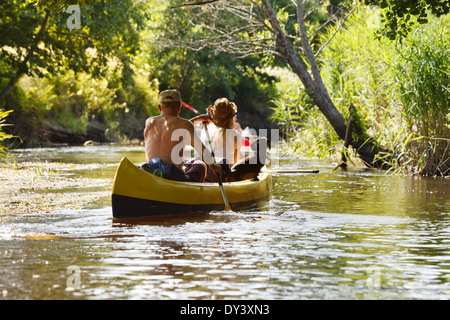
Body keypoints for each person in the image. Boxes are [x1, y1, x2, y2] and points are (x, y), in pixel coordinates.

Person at [143, 89, 221, 182]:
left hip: (151, 174)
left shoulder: (149, 122)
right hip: (173, 178)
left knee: (186, 163)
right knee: (200, 164)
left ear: (160, 107)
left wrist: (197, 119)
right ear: (179, 106)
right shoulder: (185, 124)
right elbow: (203, 152)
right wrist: (214, 166)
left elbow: (173, 127)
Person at [190, 98, 243, 181]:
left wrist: (200, 118)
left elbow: (186, 125)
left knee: (195, 160)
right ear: (231, 117)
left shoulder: (207, 130)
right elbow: (235, 162)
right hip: (223, 174)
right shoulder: (236, 135)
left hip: (207, 171)